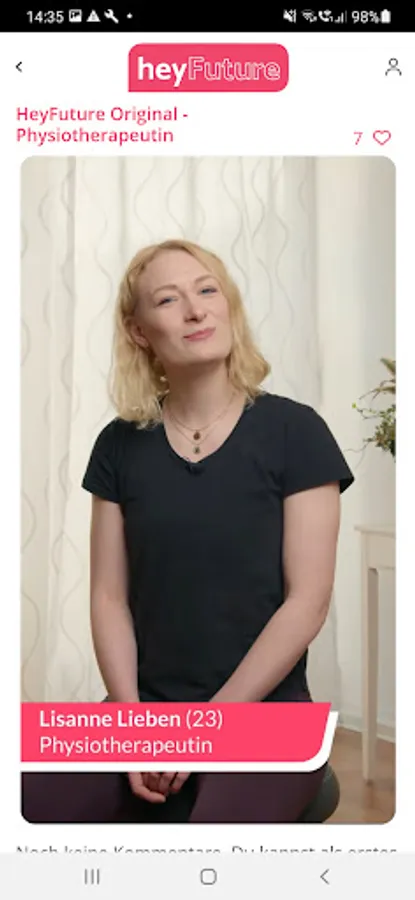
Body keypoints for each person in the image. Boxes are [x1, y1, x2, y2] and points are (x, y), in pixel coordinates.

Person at [21, 238, 354, 824]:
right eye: (168, 299)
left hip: (265, 713)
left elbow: (307, 602)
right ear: (139, 332)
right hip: (144, 713)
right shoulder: (118, 445)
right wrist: (132, 728)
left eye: (207, 290)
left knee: (202, 841)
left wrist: (204, 730)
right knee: (23, 804)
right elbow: (109, 598)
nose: (196, 310)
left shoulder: (295, 431)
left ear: (228, 305)